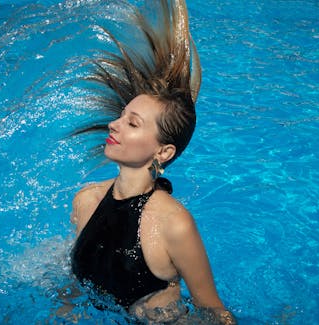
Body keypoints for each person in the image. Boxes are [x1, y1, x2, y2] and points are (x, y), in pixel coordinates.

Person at [70, 0, 236, 323]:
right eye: (121, 116)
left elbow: (214, 311)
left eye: (132, 123)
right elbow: (73, 290)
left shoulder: (174, 225)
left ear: (164, 152)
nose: (113, 125)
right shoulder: (85, 201)